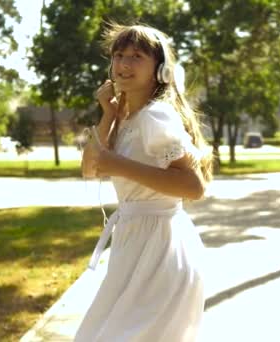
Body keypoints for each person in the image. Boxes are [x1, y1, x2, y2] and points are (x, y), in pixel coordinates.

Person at [74, 23, 213, 342]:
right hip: (135, 243)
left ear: (160, 70)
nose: (124, 64)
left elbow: (194, 187)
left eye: (136, 56)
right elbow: (89, 169)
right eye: (118, 55)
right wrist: (107, 115)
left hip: (161, 247)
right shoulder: (127, 118)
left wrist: (119, 164)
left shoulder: (156, 117)